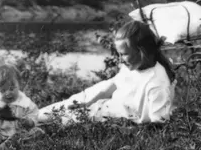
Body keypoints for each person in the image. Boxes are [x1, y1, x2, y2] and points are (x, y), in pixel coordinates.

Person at [37, 19, 176, 126]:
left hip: (106, 117)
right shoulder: (132, 67)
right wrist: (88, 103)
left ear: (142, 52)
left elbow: (158, 124)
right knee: (46, 113)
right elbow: (114, 85)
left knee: (45, 119)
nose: (120, 60)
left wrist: (125, 129)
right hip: (99, 106)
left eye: (125, 54)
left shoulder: (157, 83)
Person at [0, 61, 41, 149]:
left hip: (16, 132)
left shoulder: (24, 102)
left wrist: (29, 121)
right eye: (2, 90)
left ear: (19, 84)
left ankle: (7, 148)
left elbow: (34, 112)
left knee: (35, 132)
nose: (8, 93)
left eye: (12, 88)